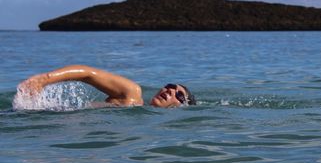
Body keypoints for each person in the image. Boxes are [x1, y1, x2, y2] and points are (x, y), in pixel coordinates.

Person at [17, 65, 196, 108]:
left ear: (182, 107)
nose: (171, 91)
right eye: (170, 86)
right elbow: (88, 74)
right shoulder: (132, 95)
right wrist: (44, 80)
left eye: (179, 96)